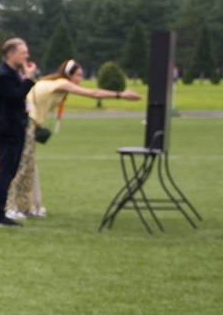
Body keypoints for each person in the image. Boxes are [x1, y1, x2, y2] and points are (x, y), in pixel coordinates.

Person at [12, 60, 136, 220]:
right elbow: (92, 93)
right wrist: (121, 95)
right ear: (69, 74)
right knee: (22, 167)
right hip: (26, 123)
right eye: (78, 75)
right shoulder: (62, 83)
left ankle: (26, 206)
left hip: (27, 122)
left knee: (28, 166)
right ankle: (12, 207)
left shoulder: (51, 81)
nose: (80, 79)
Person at [0, 38, 36, 227]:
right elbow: (15, 97)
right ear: (10, 54)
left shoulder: (11, 73)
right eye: (22, 52)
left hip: (11, 127)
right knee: (6, 172)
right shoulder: (4, 75)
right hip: (7, 129)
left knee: (7, 171)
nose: (26, 55)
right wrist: (28, 79)